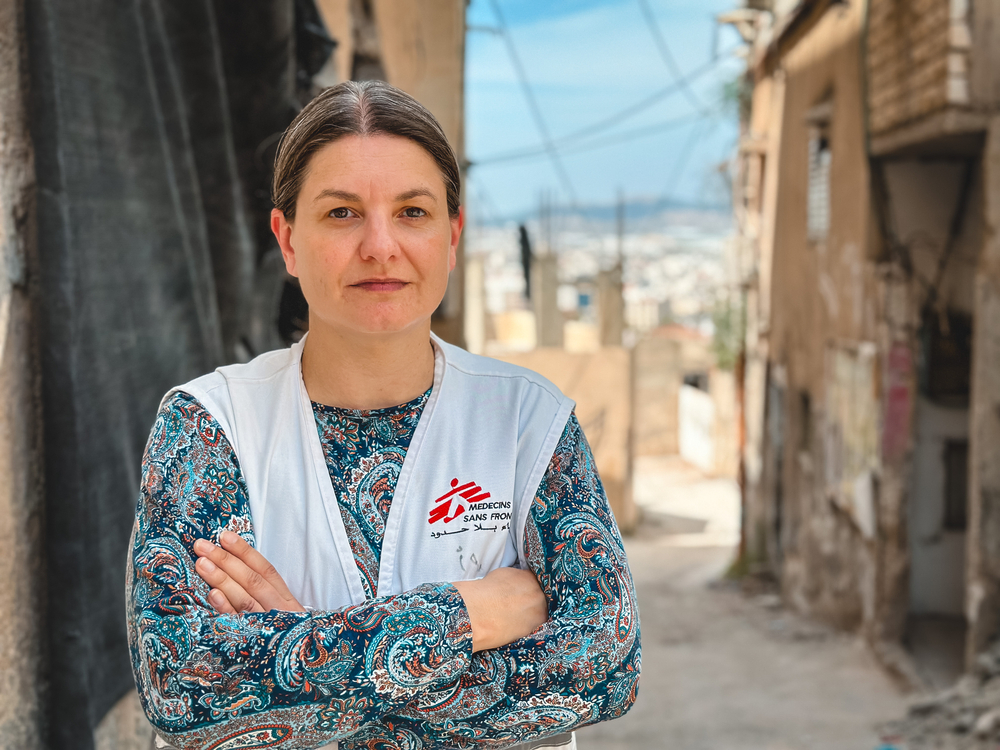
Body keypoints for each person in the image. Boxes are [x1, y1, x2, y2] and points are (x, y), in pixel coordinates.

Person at [127, 80, 640, 750]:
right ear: (287, 239)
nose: (379, 245)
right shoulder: (210, 425)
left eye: (412, 212)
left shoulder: (526, 423)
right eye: (342, 214)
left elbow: (607, 669)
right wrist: (466, 614)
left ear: (452, 236)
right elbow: (179, 683)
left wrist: (304, 643)